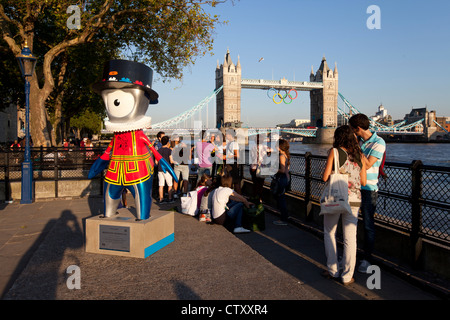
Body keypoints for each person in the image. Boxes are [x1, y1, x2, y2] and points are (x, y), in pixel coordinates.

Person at [321, 125, 367, 285]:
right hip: (354, 199)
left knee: (329, 232)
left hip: (335, 198)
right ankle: (347, 276)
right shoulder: (360, 155)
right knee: (350, 238)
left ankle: (333, 271)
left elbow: (325, 177)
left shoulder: (334, 152)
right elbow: (363, 181)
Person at [349, 113, 386, 273]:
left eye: (352, 129)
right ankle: (351, 256)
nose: (351, 132)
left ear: (358, 128)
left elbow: (369, 165)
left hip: (369, 190)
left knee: (368, 225)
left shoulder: (379, 142)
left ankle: (367, 260)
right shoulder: (359, 141)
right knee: (351, 223)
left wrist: (357, 149)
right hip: (354, 187)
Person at [273, 139, 291, 226]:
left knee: (281, 198)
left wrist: (273, 169)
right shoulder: (285, 155)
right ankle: (285, 216)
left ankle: (283, 219)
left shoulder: (281, 156)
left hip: (282, 178)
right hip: (286, 178)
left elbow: (282, 170)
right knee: (281, 197)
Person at [249, 134, 270, 203]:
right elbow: (269, 154)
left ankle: (254, 198)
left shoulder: (252, 147)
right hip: (261, 168)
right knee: (260, 185)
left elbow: (252, 157)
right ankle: (259, 199)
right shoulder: (265, 147)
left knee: (255, 184)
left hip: (253, 168)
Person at [156, 135, 174, 203]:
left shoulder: (158, 150)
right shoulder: (169, 150)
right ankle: (170, 198)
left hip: (160, 169)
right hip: (167, 170)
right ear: (167, 142)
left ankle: (161, 199)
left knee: (161, 185)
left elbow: (156, 162)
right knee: (169, 184)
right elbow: (171, 161)